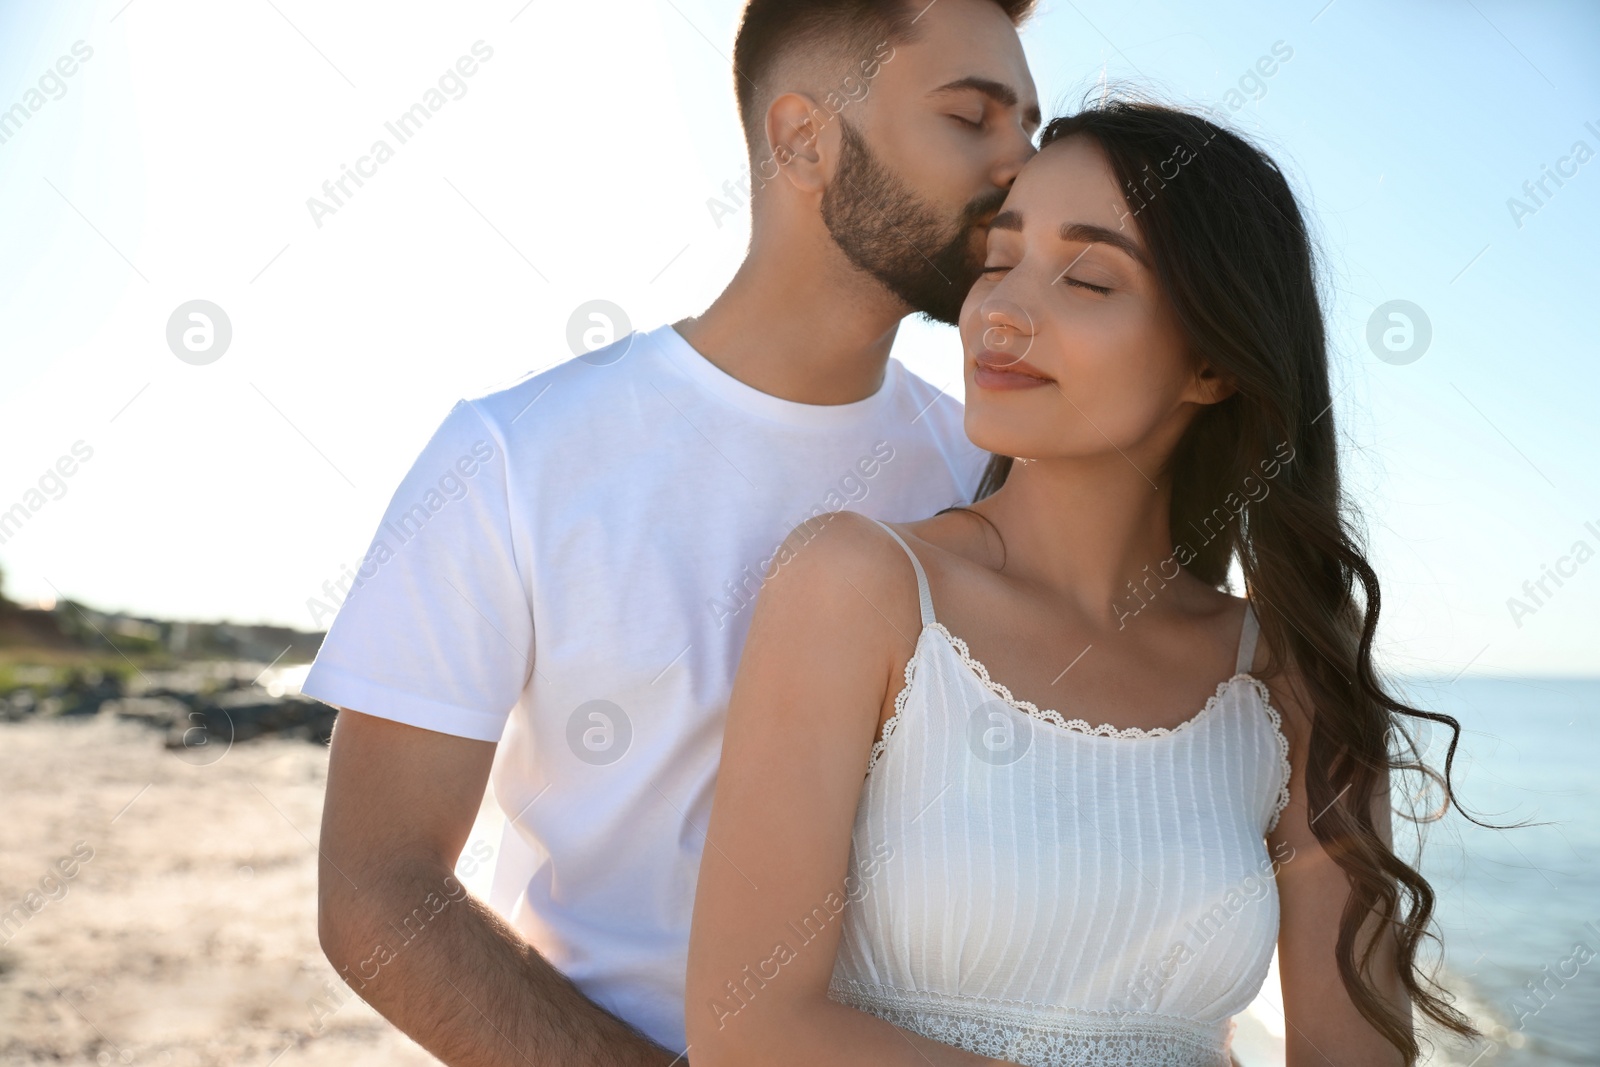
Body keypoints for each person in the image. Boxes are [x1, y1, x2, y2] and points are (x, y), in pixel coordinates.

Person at [302, 1, 1041, 1063]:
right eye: (973, 117)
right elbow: (378, 891)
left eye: (1029, 124)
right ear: (803, 139)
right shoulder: (511, 455)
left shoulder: (993, 475)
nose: (1022, 164)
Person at [685, 100, 1478, 1066]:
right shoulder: (859, 587)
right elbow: (749, 1030)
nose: (1001, 310)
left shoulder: (1292, 678)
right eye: (997, 261)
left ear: (1215, 363)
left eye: (1089, 278)